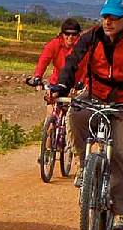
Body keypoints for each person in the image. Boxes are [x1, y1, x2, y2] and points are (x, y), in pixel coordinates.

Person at [51, 0, 123, 230]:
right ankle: (83, 164)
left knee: (122, 153)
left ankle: (120, 210)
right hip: (96, 94)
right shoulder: (91, 37)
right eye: (105, 16)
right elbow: (72, 62)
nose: (108, 22)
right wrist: (60, 87)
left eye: (115, 17)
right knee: (76, 113)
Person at [26, 17, 84, 151]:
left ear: (78, 35)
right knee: (51, 115)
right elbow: (43, 60)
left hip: (76, 84)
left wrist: (81, 84)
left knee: (74, 119)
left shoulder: (82, 47)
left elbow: (88, 67)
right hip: (57, 82)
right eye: (67, 34)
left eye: (74, 34)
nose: (70, 37)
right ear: (61, 34)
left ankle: (74, 151)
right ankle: (46, 153)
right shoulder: (54, 44)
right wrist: (37, 78)